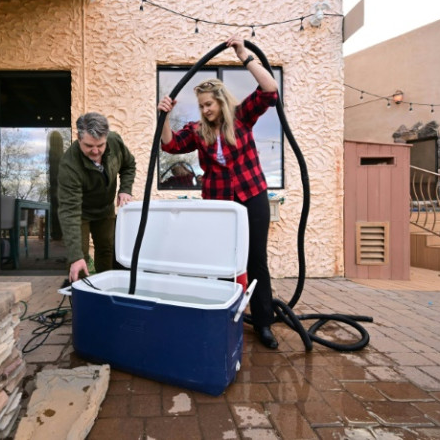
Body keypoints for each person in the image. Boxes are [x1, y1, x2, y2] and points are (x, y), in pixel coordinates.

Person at [157, 35, 280, 349]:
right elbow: (170, 144)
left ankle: (264, 323)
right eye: (200, 106)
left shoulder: (242, 118)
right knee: (222, 261)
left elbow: (269, 90)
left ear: (221, 102)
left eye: (208, 104)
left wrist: (245, 55)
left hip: (252, 195)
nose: (205, 110)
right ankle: (225, 317)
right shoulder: (198, 132)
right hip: (220, 205)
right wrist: (166, 114)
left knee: (256, 260)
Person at [58, 112, 136, 282]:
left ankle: (105, 288)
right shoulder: (69, 165)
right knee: (79, 256)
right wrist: (75, 256)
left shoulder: (115, 142)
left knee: (106, 249)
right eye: (88, 146)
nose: (95, 151)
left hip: (106, 208)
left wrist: (125, 189)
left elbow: (129, 165)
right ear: (79, 139)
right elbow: (69, 211)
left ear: (106, 138)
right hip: (80, 212)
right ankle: (79, 292)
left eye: (100, 145)